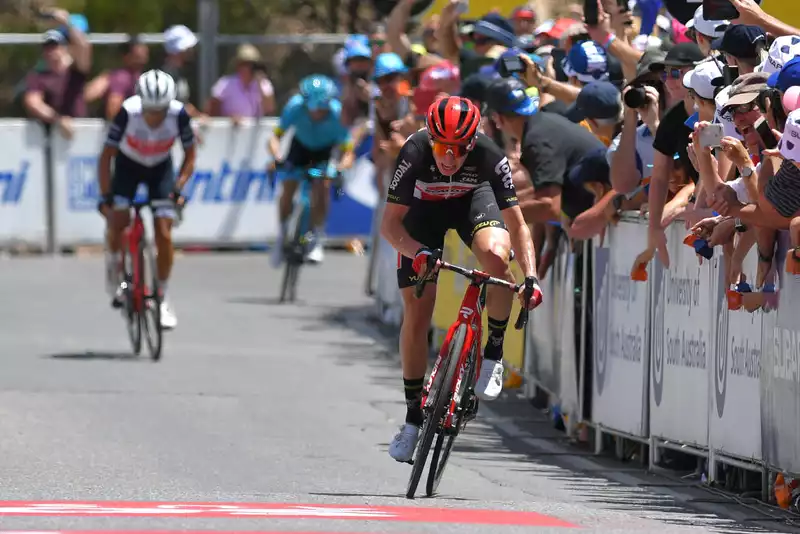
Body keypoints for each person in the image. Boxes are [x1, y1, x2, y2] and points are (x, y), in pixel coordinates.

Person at [381, 96, 544, 463]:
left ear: (473, 142)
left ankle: (493, 353)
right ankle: (411, 420)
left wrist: (531, 276)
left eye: (458, 148)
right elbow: (390, 225)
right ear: (430, 138)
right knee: (417, 313)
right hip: (423, 215)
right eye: (442, 146)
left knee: (496, 257)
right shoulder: (415, 150)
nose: (449, 157)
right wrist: (416, 251)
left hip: (473, 202)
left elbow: (517, 224)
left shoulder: (489, 154)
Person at [97, 70, 196, 330]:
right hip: (128, 166)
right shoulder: (127, 112)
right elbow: (106, 156)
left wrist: (178, 188)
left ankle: (161, 296)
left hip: (160, 168)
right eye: (150, 110)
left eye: (160, 110)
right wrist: (106, 195)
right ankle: (114, 265)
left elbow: (190, 155)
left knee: (164, 232)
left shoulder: (179, 114)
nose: (154, 116)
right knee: (118, 219)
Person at [268, 75, 356, 266]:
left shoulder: (337, 114)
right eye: (313, 110)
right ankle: (282, 233)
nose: (317, 114)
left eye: (322, 110)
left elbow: (348, 152)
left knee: (322, 186)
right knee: (288, 186)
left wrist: (340, 168)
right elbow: (275, 137)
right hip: (299, 147)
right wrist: (277, 157)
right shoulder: (295, 106)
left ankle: (316, 237)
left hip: (323, 152)